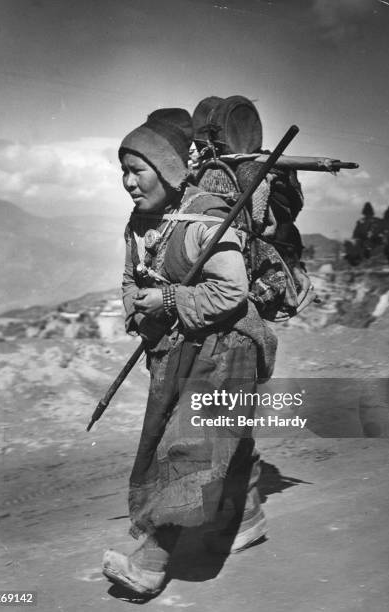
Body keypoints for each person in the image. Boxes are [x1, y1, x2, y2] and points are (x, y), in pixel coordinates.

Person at [102, 108, 277, 597]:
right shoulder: (141, 223)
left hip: (228, 349)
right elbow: (130, 277)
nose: (128, 182)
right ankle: (246, 519)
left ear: (167, 169)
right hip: (176, 348)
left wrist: (172, 299)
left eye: (137, 171)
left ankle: (151, 563)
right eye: (124, 172)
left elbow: (230, 295)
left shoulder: (206, 219)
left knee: (187, 449)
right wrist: (139, 309)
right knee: (209, 439)